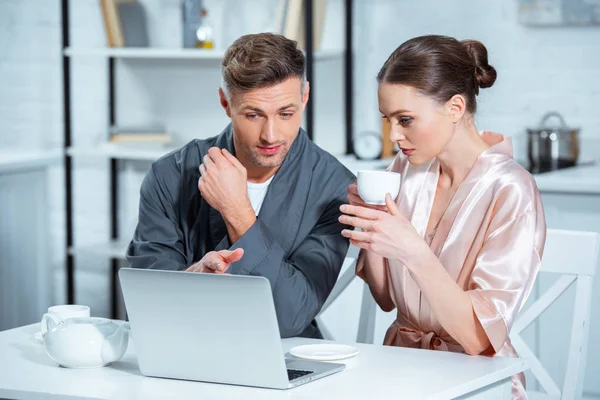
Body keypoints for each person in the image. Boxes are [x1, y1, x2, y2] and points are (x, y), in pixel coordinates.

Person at [339, 35, 546, 399]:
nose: (394, 136)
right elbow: (387, 300)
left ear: (454, 108)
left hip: (479, 382)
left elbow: (478, 338)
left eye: (405, 120)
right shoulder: (406, 169)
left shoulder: (511, 189)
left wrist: (412, 250)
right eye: (388, 120)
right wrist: (373, 228)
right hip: (400, 371)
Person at [126, 32, 355, 339]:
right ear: (225, 102)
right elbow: (144, 303)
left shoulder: (335, 187)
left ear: (305, 96)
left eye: (286, 114)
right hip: (185, 346)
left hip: (284, 357)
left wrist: (238, 213)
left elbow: (291, 317)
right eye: (252, 115)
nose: (271, 135)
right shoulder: (170, 174)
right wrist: (193, 278)